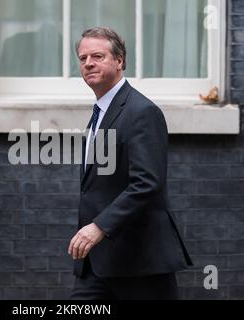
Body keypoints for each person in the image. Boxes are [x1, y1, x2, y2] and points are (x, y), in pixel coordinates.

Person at [68, 27, 193, 300]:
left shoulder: (141, 111)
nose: (88, 63)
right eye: (83, 58)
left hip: (139, 263)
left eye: (98, 56)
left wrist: (98, 227)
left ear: (120, 61)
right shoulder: (101, 111)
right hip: (97, 264)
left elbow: (147, 183)